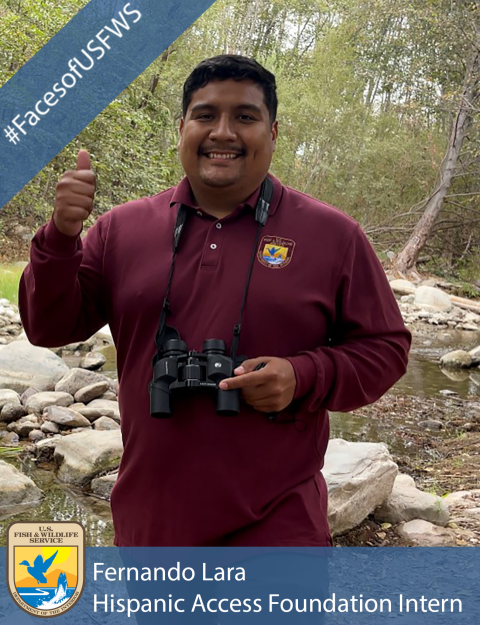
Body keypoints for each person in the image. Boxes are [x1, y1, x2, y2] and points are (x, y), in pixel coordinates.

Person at [19, 55, 411, 548]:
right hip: (151, 522)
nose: (222, 132)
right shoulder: (122, 229)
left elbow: (386, 348)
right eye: (205, 116)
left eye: (245, 117)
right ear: (181, 128)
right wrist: (60, 237)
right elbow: (48, 327)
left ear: (273, 132)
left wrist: (303, 375)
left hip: (278, 525)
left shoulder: (333, 235)